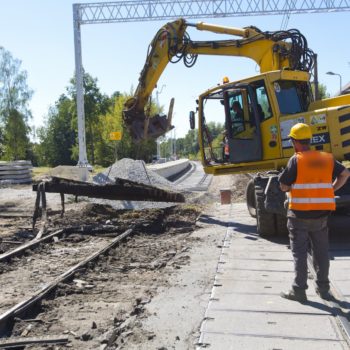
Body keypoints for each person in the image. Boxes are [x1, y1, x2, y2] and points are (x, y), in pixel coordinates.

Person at [278, 123, 350, 303]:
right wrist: (331, 190)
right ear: (309, 140)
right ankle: (323, 289)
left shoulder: (296, 159)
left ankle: (299, 290)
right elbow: (345, 174)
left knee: (300, 253)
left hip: (299, 215)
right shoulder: (326, 158)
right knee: (321, 251)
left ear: (295, 142)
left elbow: (284, 185)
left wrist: (289, 188)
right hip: (321, 215)